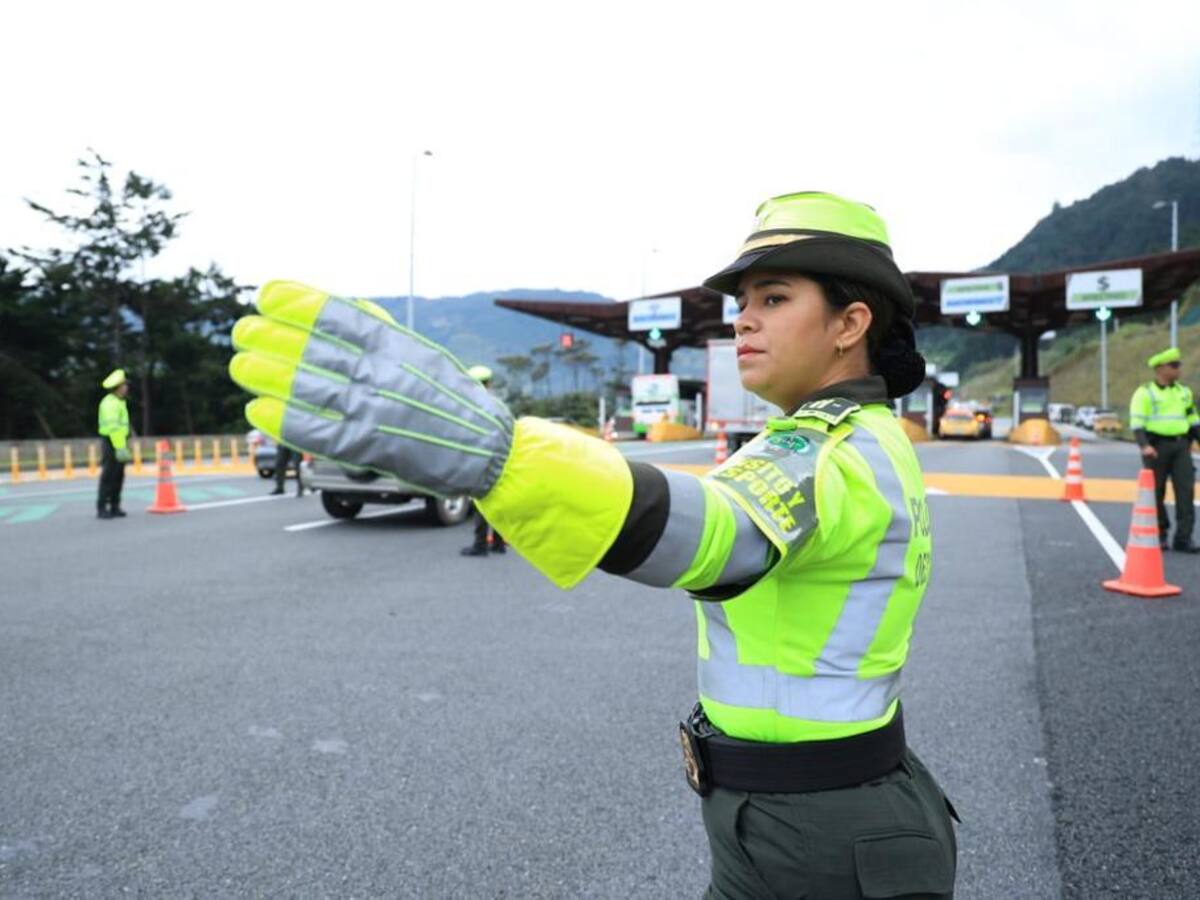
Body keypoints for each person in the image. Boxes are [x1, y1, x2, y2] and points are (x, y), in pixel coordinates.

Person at [228, 191, 957, 898]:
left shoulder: (828, 452)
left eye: (773, 298)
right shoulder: (863, 437)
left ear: (849, 323)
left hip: (821, 835)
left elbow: (718, 530)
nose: (743, 320)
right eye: (742, 303)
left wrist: (503, 458)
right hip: (809, 816)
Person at [1130, 347, 1200, 553]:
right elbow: (1137, 423)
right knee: (1156, 492)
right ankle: (1160, 534)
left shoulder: (1184, 392)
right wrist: (1144, 445)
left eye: (1178, 365)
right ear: (1161, 368)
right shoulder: (1145, 392)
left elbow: (1193, 420)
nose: (1179, 369)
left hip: (1181, 446)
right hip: (1156, 448)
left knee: (1186, 490)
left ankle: (1184, 538)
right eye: (1174, 365)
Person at [461, 364, 507, 557]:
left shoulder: (472, 405)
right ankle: (498, 543)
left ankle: (480, 545)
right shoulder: (498, 404)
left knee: (481, 501)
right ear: (489, 383)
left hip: (481, 458)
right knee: (496, 500)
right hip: (499, 458)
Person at [96, 368, 132, 519]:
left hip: (119, 442)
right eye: (124, 385)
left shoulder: (119, 402)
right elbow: (113, 428)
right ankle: (102, 508)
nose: (126, 387)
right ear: (118, 387)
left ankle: (115, 506)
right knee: (109, 475)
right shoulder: (110, 403)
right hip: (112, 443)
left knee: (118, 475)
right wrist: (120, 447)